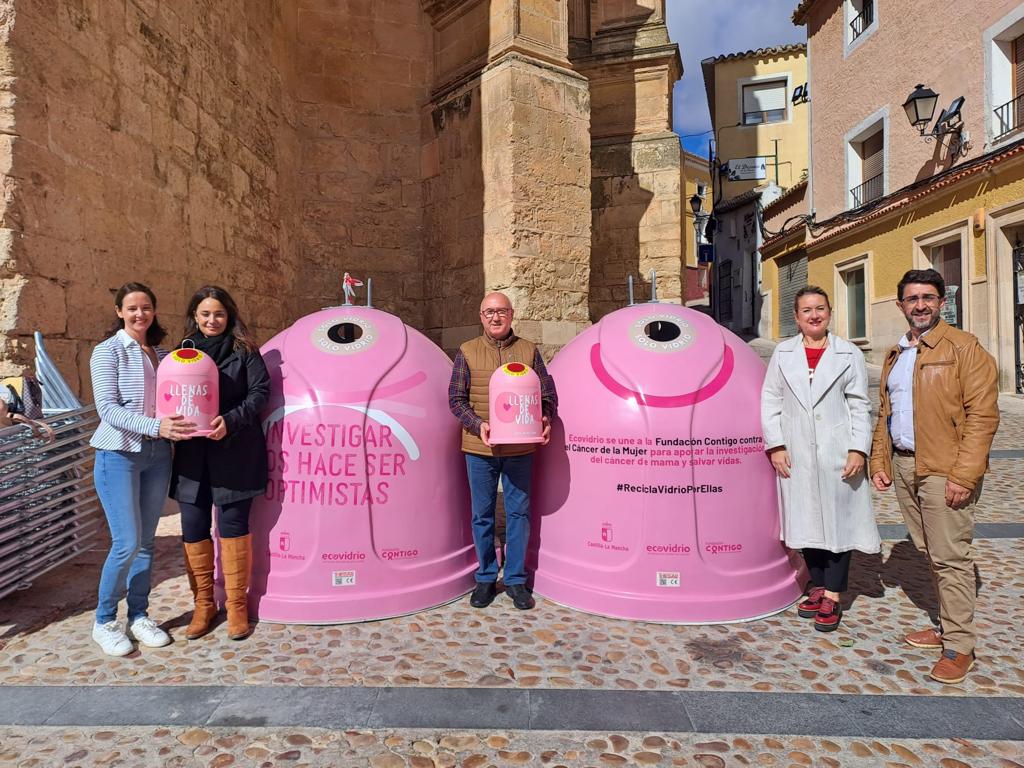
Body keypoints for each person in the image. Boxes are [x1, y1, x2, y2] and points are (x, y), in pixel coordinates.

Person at [870, 268, 999, 685]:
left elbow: (983, 416)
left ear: (942, 302)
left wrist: (964, 474)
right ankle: (947, 626)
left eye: (928, 297)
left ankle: (960, 646)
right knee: (929, 550)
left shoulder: (964, 347)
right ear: (900, 305)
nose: (920, 305)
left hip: (945, 468)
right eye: (912, 298)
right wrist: (879, 461)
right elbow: (886, 413)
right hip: (906, 465)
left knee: (950, 556)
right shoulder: (897, 352)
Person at [761, 286, 880, 632]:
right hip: (796, 450)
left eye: (820, 309)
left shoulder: (848, 353)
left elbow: (859, 403)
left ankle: (833, 593)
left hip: (837, 450)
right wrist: (776, 445)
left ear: (829, 312)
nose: (814, 315)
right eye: (806, 310)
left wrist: (858, 448)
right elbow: (770, 400)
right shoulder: (783, 353)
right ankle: (817, 584)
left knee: (839, 521)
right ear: (796, 317)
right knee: (806, 519)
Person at [90, 282, 195, 656]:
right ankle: (104, 622)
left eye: (146, 307)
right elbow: (108, 409)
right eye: (132, 308)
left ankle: (138, 616)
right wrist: (156, 426)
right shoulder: (107, 352)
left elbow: (176, 398)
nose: (140, 314)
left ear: (154, 311)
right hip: (118, 455)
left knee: (147, 543)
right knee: (126, 542)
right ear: (119, 311)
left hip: (157, 455)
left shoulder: (163, 354)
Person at [169, 286, 270, 641]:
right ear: (195, 317)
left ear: (229, 316)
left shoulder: (245, 352)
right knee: (193, 526)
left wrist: (230, 420)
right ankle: (204, 604)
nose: (212, 320)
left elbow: (260, 393)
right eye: (205, 314)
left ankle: (237, 606)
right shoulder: (182, 354)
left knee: (232, 525)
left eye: (219, 314)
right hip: (193, 456)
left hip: (235, 450)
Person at [448, 292, 557, 610]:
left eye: (501, 311)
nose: (495, 317)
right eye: (489, 312)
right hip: (479, 448)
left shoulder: (528, 350)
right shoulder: (467, 351)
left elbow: (547, 393)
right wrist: (478, 424)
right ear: (481, 316)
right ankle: (485, 578)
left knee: (518, 514)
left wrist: (545, 417)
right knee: (482, 515)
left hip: (520, 447)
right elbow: (456, 399)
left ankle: (515, 580)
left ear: (511, 315)